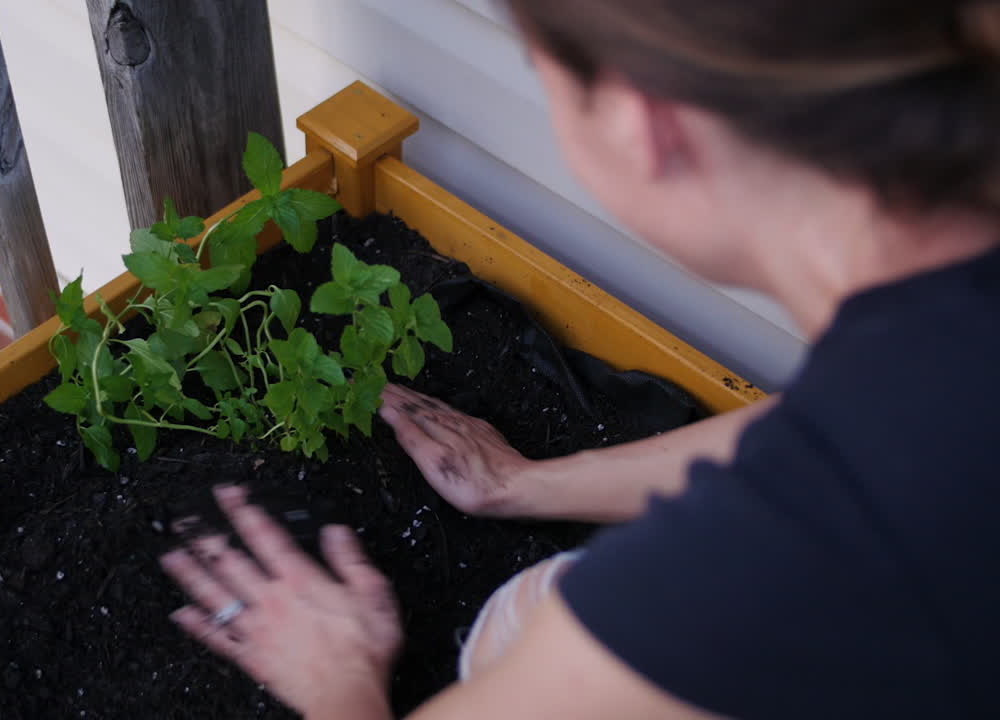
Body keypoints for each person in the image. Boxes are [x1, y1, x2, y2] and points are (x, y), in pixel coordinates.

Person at [159, 0, 1000, 717]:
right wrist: (526, 485)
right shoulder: (930, 363)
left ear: (644, 122)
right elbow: (829, 436)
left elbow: (819, 503)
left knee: (519, 637)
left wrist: (336, 675)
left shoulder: (775, 565)